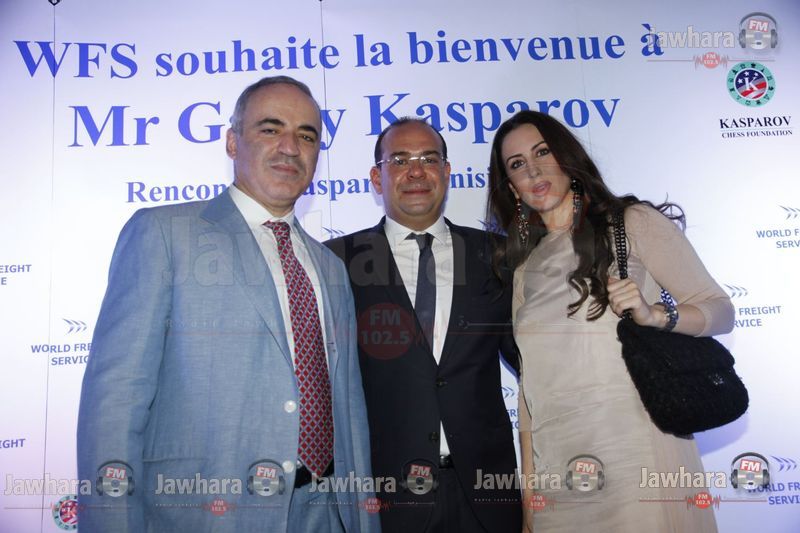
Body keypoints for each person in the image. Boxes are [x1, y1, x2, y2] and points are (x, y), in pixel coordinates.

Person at [77, 76, 379, 533]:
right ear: (232, 142)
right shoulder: (164, 234)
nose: (290, 147)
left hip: (324, 514)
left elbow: (349, 414)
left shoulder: (330, 267)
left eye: (306, 136)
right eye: (270, 129)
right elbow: (115, 403)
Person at [487, 110, 734, 532]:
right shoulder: (525, 268)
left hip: (636, 457)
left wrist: (656, 315)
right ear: (511, 186)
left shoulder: (632, 223)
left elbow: (719, 310)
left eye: (542, 152)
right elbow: (529, 394)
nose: (533, 170)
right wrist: (530, 496)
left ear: (567, 157)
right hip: (558, 473)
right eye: (517, 164)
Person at [326, 118, 521, 533]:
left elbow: (533, 364)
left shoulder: (497, 255)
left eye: (429, 159)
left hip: (487, 493)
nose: (416, 171)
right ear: (376, 178)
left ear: (447, 173)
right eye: (399, 160)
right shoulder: (336, 261)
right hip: (387, 498)